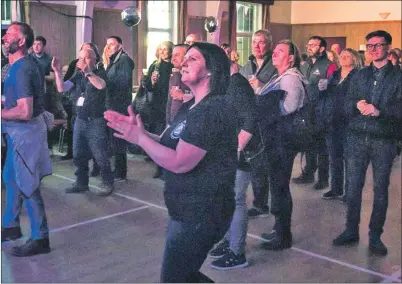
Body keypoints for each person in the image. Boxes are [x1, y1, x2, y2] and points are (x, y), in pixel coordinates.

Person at [104, 42, 238, 283]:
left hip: (202, 212)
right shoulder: (191, 105)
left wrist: (140, 139)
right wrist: (140, 133)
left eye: (193, 59)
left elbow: (179, 162)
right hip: (186, 209)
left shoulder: (212, 110)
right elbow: (169, 143)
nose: (184, 62)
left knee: (174, 278)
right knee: (183, 275)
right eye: (184, 58)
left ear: (211, 70)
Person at [333, 30, 402, 256]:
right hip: (356, 138)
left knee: (380, 190)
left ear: (388, 48)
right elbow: (345, 102)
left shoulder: (398, 77)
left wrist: (379, 111)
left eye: (377, 45)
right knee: (352, 189)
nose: (372, 50)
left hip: (383, 140)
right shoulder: (360, 75)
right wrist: (356, 105)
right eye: (369, 46)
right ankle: (351, 230)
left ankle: (375, 236)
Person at [1, 21, 52, 256]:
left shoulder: (22, 68)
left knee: (28, 185)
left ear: (21, 41)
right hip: (17, 132)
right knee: (10, 177)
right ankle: (11, 226)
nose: (4, 38)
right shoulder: (18, 65)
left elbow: (25, 111)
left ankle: (40, 238)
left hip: (26, 133)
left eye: (9, 34)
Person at [257, 40, 308, 250]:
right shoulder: (280, 76)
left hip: (283, 140)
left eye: (280, 51)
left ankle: (283, 235)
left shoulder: (291, 79)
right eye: (275, 51)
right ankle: (279, 228)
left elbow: (288, 108)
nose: (275, 54)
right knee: (277, 185)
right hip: (277, 139)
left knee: (279, 186)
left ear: (291, 58)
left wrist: (262, 102)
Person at [209, 73, 257, 269]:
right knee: (228, 198)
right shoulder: (219, 85)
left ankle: (237, 253)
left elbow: (250, 120)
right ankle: (230, 241)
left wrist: (234, 150)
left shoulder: (235, 82)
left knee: (236, 199)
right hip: (227, 152)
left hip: (241, 153)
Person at [53, 47, 114, 196]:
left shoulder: (100, 72)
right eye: (81, 58)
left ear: (94, 60)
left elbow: (101, 85)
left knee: (100, 154)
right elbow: (62, 88)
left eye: (86, 58)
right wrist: (57, 71)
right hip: (80, 120)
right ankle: (81, 183)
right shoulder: (78, 75)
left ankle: (108, 182)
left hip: (96, 121)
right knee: (78, 154)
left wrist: (88, 72)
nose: (82, 61)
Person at [239, 29, 277, 218]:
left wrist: (261, 88)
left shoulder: (276, 66)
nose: (256, 45)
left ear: (268, 44)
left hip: (270, 121)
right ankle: (259, 203)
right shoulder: (246, 66)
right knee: (255, 164)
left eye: (261, 42)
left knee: (268, 166)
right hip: (249, 119)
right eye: (254, 41)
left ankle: (267, 204)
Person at [292, 35, 337, 190]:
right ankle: (308, 172)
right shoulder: (304, 66)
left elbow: (335, 87)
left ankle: (323, 179)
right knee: (308, 144)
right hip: (306, 110)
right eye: (308, 44)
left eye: (313, 45)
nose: (309, 47)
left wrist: (329, 85)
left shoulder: (329, 65)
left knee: (322, 147)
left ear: (322, 48)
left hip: (322, 110)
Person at [318, 48, 361, 201]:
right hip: (332, 121)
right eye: (342, 55)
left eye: (347, 56)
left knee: (350, 159)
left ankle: (350, 193)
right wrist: (322, 87)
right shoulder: (334, 75)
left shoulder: (358, 76)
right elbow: (327, 95)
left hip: (350, 122)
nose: (343, 58)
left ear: (354, 59)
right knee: (334, 157)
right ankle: (336, 189)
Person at [104, 36, 135, 182]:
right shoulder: (113, 60)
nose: (109, 46)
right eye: (107, 44)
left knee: (118, 139)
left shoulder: (124, 60)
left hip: (120, 105)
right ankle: (116, 169)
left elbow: (123, 81)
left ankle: (120, 172)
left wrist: (106, 82)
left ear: (120, 46)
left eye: (112, 44)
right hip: (112, 104)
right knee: (113, 139)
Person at [165, 44, 191, 125]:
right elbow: (170, 101)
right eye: (172, 55)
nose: (173, 59)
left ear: (187, 57)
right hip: (173, 123)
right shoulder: (175, 74)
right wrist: (168, 123)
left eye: (177, 55)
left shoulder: (193, 76)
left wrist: (183, 96)